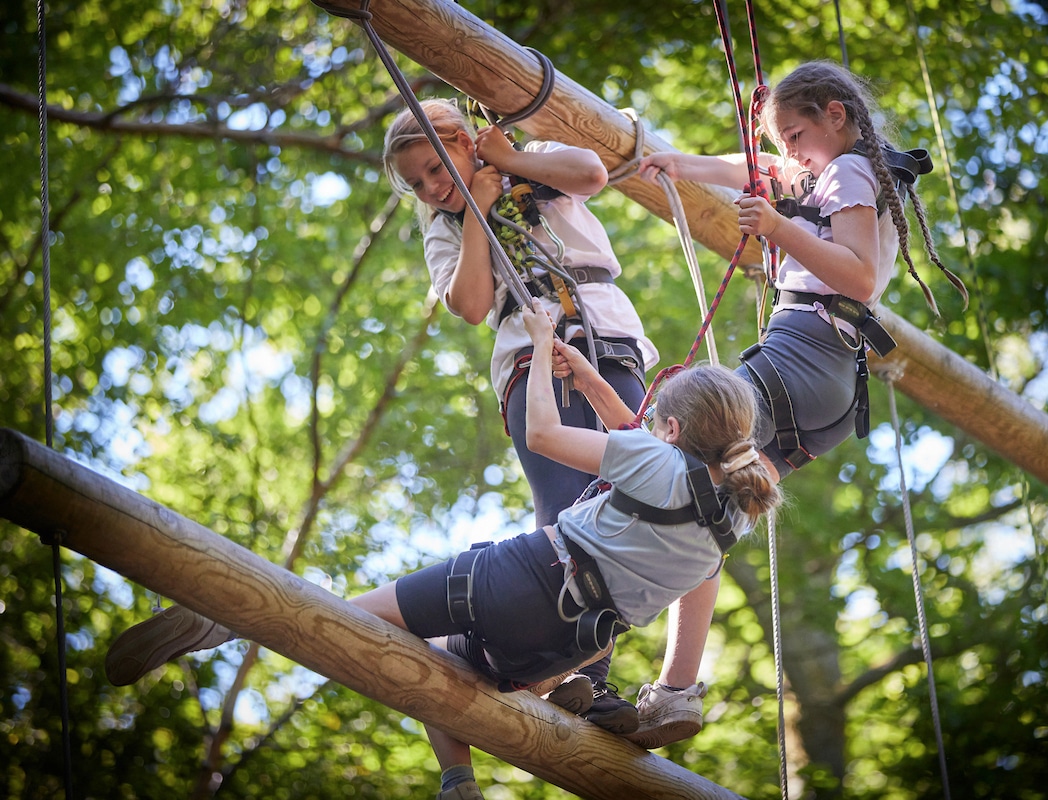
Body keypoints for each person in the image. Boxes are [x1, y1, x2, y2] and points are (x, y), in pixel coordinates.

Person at [105, 299, 783, 800]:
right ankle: (457, 782)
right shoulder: (727, 531)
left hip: (514, 578)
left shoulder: (648, 460)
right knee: (436, 665)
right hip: (562, 647)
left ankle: (220, 622)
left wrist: (544, 344)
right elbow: (634, 437)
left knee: (346, 615)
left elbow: (546, 434)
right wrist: (587, 373)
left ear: (670, 428)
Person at [628, 60, 959, 748]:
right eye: (782, 140)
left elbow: (861, 275)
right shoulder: (824, 168)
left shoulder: (850, 172)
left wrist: (778, 229)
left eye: (797, 134)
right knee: (712, 517)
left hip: (803, 354)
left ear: (836, 115)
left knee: (680, 422)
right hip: (826, 387)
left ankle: (582, 607)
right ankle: (675, 691)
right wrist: (675, 162)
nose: (789, 152)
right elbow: (748, 166)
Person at [380, 99, 659, 735]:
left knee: (629, 504)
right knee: (570, 513)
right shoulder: (444, 226)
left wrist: (503, 160)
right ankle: (581, 674)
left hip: (606, 344)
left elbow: (591, 174)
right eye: (418, 182)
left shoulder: (528, 168)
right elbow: (472, 303)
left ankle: (580, 670)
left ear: (463, 140)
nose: (431, 186)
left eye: (435, 166)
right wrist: (474, 205)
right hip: (534, 361)